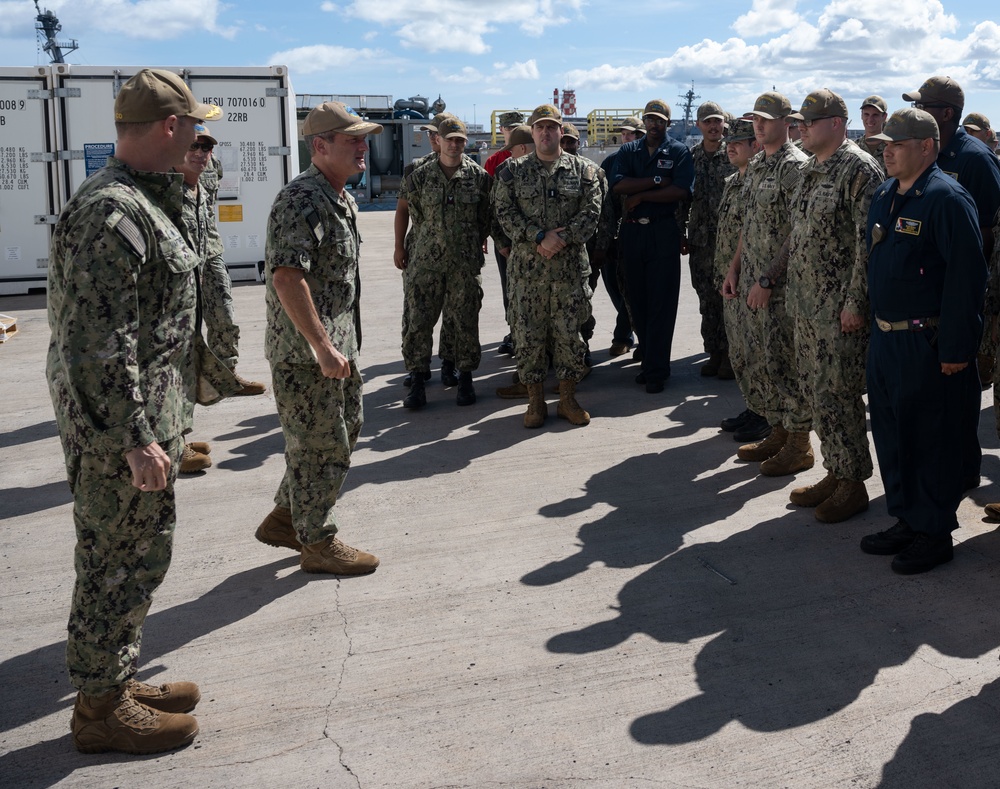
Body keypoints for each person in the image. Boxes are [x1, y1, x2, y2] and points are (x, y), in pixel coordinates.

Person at [46, 68, 219, 755]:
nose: (198, 137)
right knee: (113, 561)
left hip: (146, 422)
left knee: (140, 554)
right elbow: (97, 343)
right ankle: (99, 709)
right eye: (192, 124)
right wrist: (135, 438)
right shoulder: (111, 212)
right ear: (169, 127)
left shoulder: (149, 200)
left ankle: (114, 679)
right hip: (121, 433)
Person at [255, 101, 380, 576]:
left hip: (336, 347)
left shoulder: (339, 196)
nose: (363, 148)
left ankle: (287, 517)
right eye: (353, 140)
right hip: (307, 356)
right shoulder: (301, 199)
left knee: (337, 436)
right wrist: (322, 347)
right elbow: (287, 277)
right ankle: (318, 542)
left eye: (364, 139)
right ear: (320, 145)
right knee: (322, 446)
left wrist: (336, 346)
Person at [860, 108, 986, 574]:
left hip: (928, 343)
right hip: (887, 339)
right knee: (893, 434)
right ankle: (907, 519)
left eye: (897, 143)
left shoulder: (947, 199)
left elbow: (967, 280)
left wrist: (956, 348)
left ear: (927, 146)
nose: (887, 149)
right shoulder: (884, 194)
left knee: (931, 438)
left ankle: (934, 532)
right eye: (885, 143)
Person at [785, 89, 884, 522]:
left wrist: (854, 303)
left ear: (837, 124)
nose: (802, 128)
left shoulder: (859, 169)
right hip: (806, 306)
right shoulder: (809, 169)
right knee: (816, 393)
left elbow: (869, 247)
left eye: (810, 121)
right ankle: (836, 469)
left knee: (840, 396)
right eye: (801, 122)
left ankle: (853, 484)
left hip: (839, 310)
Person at [902, 76, 1000, 493]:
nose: (917, 109)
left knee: (961, 385)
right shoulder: (927, 151)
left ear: (945, 113)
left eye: (924, 105)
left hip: (964, 293)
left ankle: (962, 470)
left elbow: (986, 232)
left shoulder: (975, 159)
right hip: (928, 294)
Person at [493, 103, 602, 428]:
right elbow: (504, 212)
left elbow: (592, 213)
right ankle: (535, 403)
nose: (545, 132)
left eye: (551, 127)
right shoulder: (512, 172)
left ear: (560, 130)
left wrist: (562, 238)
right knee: (528, 338)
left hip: (569, 273)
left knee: (570, 337)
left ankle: (567, 399)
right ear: (532, 131)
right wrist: (538, 236)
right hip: (527, 274)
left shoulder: (584, 171)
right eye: (539, 127)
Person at [722, 91, 811, 475]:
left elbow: (798, 232)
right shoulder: (757, 165)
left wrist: (768, 278)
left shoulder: (796, 167)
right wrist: (735, 267)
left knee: (786, 365)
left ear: (786, 123)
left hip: (781, 287)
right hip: (753, 280)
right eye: (755, 119)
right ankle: (778, 431)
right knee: (763, 362)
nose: (758, 125)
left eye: (766, 119)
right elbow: (749, 223)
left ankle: (800, 445)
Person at [175, 124, 266, 474]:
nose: (200, 153)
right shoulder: (164, 181)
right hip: (180, 265)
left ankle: (227, 376)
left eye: (207, 146)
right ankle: (175, 439)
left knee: (225, 316)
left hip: (209, 254)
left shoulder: (212, 170)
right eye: (194, 146)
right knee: (180, 351)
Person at [395, 117, 491, 409]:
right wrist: (399, 246)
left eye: (459, 139)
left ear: (465, 142)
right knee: (419, 321)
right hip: (425, 263)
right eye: (449, 139)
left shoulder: (480, 178)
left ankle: (465, 378)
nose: (454, 144)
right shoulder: (419, 176)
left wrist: (472, 242)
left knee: (464, 321)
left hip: (463, 264)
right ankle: (417, 378)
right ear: (439, 140)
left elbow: (485, 218)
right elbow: (404, 211)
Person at [611, 99, 695, 393]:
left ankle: (658, 370)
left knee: (662, 302)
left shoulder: (678, 151)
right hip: (633, 235)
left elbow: (681, 191)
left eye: (660, 120)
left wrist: (641, 196)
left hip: (663, 233)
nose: (654, 124)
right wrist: (657, 181)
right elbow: (618, 184)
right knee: (638, 301)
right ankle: (649, 358)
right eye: (650, 119)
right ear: (644, 121)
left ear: (667, 124)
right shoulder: (627, 151)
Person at [394, 112, 460, 386]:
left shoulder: (465, 169)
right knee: (417, 313)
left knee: (455, 314)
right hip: (421, 255)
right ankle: (417, 368)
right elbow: (402, 210)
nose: (433, 137)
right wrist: (399, 246)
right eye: (431, 134)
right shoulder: (415, 171)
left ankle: (449, 363)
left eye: (436, 132)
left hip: (456, 258)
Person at [716, 118, 770, 443]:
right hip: (731, 278)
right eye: (729, 142)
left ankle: (765, 415)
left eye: (739, 141)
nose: (731, 147)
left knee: (757, 351)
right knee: (739, 352)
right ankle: (753, 406)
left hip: (751, 279)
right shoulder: (734, 181)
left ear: (756, 145)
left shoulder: (761, 182)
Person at [678, 101, 737, 378]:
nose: (714, 126)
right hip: (701, 240)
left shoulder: (735, 155)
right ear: (698, 125)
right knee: (706, 299)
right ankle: (713, 351)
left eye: (718, 121)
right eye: (708, 122)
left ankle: (729, 355)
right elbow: (682, 200)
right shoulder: (690, 158)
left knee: (729, 298)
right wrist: (681, 233)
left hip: (729, 241)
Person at [599, 117, 644, 358]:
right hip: (615, 234)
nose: (629, 138)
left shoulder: (650, 161)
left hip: (642, 234)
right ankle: (626, 332)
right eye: (626, 134)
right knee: (614, 286)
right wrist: (606, 239)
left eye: (635, 134)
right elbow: (605, 203)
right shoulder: (611, 162)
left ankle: (625, 335)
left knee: (636, 289)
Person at [484, 110, 525, 356]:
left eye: (517, 128)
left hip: (533, 237)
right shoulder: (495, 161)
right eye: (509, 129)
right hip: (507, 237)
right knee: (509, 286)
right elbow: (490, 206)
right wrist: (497, 239)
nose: (513, 132)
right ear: (502, 131)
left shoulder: (535, 154)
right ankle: (513, 330)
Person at [858, 95, 888, 168]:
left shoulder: (891, 148)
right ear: (861, 115)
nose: (870, 119)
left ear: (884, 117)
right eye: (866, 114)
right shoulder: (855, 148)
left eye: (875, 115)